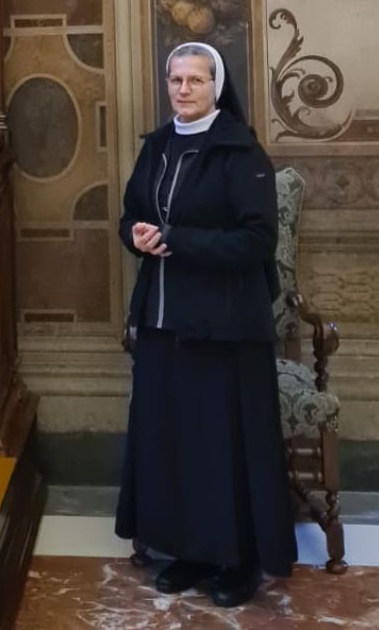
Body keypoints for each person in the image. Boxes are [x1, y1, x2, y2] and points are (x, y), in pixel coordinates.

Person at [115, 42, 296, 608]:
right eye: (176, 79)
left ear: (216, 86)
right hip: (164, 322)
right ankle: (187, 550)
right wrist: (136, 234)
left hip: (225, 326)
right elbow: (131, 214)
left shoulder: (241, 151)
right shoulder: (157, 147)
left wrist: (177, 240)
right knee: (175, 441)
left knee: (223, 444)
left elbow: (257, 239)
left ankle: (237, 560)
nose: (183, 89)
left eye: (195, 79)